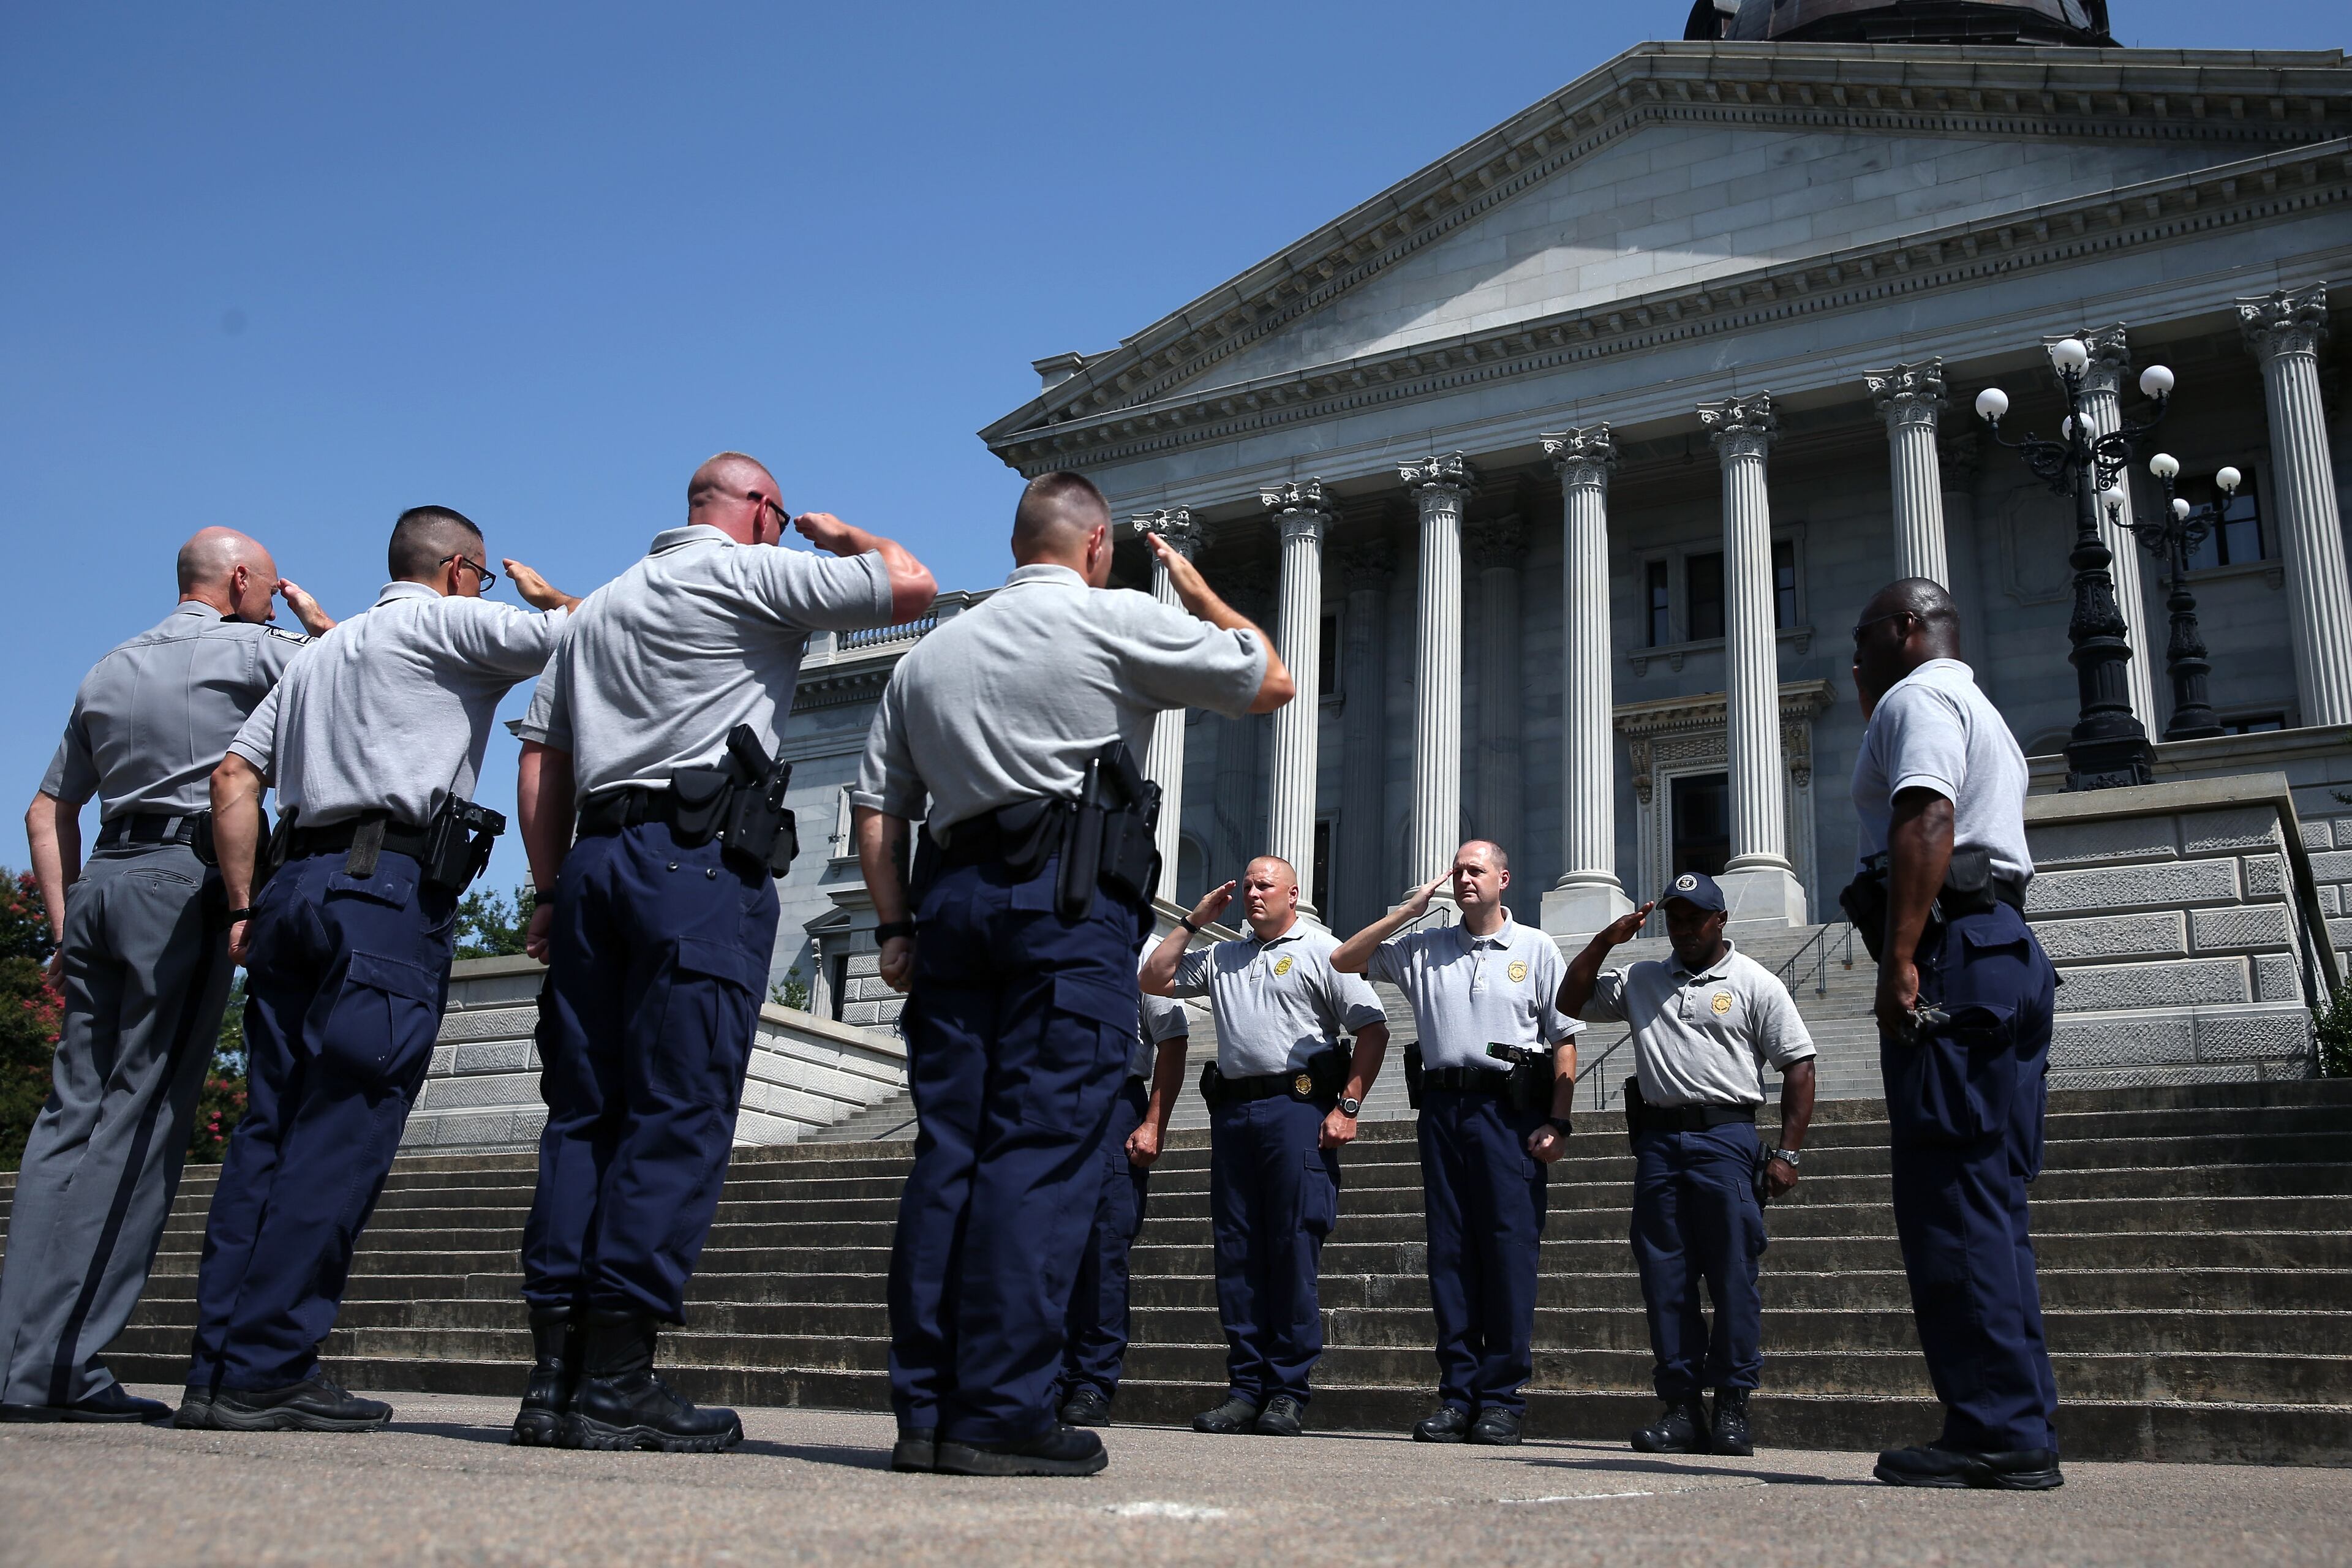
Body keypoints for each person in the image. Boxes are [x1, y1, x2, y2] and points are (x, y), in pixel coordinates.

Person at [853, 469, 1290, 1477]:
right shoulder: (1113, 622)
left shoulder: (931, 657)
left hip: (953, 908)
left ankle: (926, 1413)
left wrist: (893, 925)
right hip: (1069, 906)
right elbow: (1269, 678)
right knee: (1041, 1155)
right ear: (1097, 547)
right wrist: (1194, 592)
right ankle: (1001, 1412)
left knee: (949, 1156)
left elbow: (879, 811)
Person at [513, 453, 932, 1453]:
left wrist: (547, 887)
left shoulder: (598, 610)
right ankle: (617, 1380)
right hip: (692, 870)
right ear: (755, 512)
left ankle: (553, 1380)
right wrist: (843, 541)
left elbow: (543, 762)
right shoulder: (744, 573)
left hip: (595, 865)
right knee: (676, 1113)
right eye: (779, 521)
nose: (786, 537)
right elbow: (910, 582)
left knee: (583, 1117)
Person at [183, 507, 575, 1433]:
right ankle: (272, 1365)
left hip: (291, 889)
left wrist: (242, 905)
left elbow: (233, 778)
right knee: (346, 1125)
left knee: (267, 1131)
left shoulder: (320, 653)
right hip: (385, 893)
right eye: (477, 575)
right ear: (458, 568)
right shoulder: (446, 622)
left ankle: (215, 1367)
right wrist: (550, 597)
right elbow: (585, 635)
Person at [0, 530, 331, 1424]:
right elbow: (344, 679)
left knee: (69, 1119)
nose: (272, 595)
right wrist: (313, 619)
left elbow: (44, 810)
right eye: (267, 584)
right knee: (142, 1121)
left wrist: (65, 924)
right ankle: (62, 1367)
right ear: (236, 580)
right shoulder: (263, 648)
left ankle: (13, 1359)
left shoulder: (108, 666)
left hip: (102, 877)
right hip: (180, 884)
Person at [1846, 578, 2062, 1491]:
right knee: (1990, 1199)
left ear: (1905, 629)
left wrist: (1900, 959)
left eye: (1865, 641)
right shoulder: (1985, 709)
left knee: (1952, 1201)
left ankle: (1994, 1430)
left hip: (1953, 958)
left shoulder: (1917, 695)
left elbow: (1926, 814)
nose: (1854, 664)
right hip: (2003, 950)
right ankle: (2015, 1418)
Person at [1556, 871, 1816, 1458]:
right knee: (1665, 1280)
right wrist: (1605, 941)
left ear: (1720, 920)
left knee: (1732, 1277)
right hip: (1659, 1144)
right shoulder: (1643, 978)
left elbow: (1798, 1064)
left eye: (1695, 918)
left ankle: (1731, 1407)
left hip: (1726, 1137)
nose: (1683, 930)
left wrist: (1788, 1152)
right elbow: (1569, 1000)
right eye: (1675, 919)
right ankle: (1681, 1409)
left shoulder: (1755, 982)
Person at [1332, 839, 1578, 1446]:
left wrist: (1559, 1121)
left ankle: (1501, 1399)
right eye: (1458, 870)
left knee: (1507, 1252)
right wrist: (1407, 911)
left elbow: (1565, 1041)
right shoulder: (1423, 947)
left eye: (1476, 870)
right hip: (1443, 1109)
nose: (1465, 879)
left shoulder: (1537, 948)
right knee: (1450, 1253)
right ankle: (1458, 1394)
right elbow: (1344, 960)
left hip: (1509, 1111)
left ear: (1504, 877)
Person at [1142, 858, 1389, 1439]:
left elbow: (1372, 1028)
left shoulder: (1323, 949)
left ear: (1293, 894)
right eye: (1248, 884)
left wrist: (1347, 1106)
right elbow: (1153, 979)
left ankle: (1286, 1390)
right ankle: (1246, 1388)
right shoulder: (1225, 955)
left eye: (1264, 885)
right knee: (1237, 1253)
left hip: (1296, 1113)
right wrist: (1194, 922)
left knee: (1291, 1249)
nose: (1253, 893)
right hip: (1233, 1115)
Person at [1055, 982, 1189, 1427]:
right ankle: (1046, 1377)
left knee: (1103, 1250)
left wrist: (1154, 1121)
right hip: (1049, 1103)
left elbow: (1172, 1040)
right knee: (1045, 1250)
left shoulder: (1145, 955)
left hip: (1114, 1104)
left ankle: (1092, 1383)